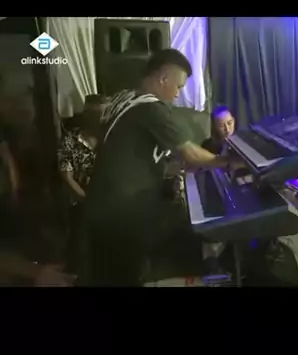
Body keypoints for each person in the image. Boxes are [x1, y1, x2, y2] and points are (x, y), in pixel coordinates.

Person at [83, 49, 234, 286]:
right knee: (188, 231)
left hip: (99, 208)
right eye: (178, 86)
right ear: (163, 79)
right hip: (123, 214)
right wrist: (228, 162)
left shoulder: (123, 99)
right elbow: (191, 153)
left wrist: (172, 170)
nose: (178, 94)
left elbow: (128, 155)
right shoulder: (152, 108)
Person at [58, 103, 105, 272]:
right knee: (80, 249)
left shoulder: (111, 139)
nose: (104, 120)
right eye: (99, 116)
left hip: (107, 203)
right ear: (87, 117)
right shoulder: (70, 141)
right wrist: (86, 202)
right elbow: (67, 177)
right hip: (79, 203)